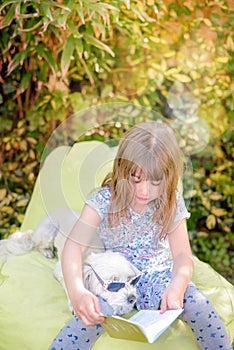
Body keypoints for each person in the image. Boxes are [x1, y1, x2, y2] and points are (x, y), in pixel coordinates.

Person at [49, 121, 232, 350]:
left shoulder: (171, 201)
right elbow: (73, 247)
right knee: (92, 314)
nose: (145, 191)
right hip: (117, 278)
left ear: (170, 176)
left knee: (199, 305)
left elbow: (183, 255)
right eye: (136, 179)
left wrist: (177, 284)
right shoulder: (104, 200)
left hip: (158, 275)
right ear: (122, 171)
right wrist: (77, 292)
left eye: (156, 182)